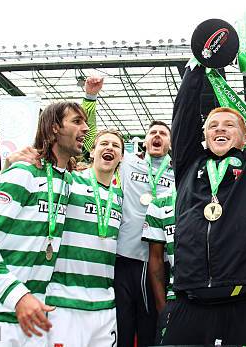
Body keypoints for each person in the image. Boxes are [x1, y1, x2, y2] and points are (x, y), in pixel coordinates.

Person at [160, 59, 246, 345]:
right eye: (212, 125)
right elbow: (183, 119)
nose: (220, 128)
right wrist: (196, 70)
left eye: (229, 124)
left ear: (245, 135)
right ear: (204, 136)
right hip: (192, 295)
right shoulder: (189, 164)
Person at [0, 102, 88, 346]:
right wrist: (19, 296)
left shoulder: (66, 181)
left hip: (28, 316)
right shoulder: (25, 172)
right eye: (77, 122)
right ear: (54, 128)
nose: (85, 128)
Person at [80, 78, 174, 347]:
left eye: (163, 134)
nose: (157, 136)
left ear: (170, 142)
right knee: (120, 327)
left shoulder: (178, 174)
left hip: (155, 263)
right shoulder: (126, 161)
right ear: (144, 141)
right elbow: (92, 143)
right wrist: (90, 98)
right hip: (121, 258)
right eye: (152, 132)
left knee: (148, 330)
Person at [45, 129, 124, 346]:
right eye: (104, 144)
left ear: (121, 157)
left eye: (116, 146)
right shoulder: (70, 182)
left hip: (104, 304)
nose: (110, 148)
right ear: (92, 152)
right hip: (65, 301)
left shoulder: (119, 196)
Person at [141, 188, 176, 344]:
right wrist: (162, 308)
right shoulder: (160, 203)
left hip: (217, 299)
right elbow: (156, 258)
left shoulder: (219, 196)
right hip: (176, 299)